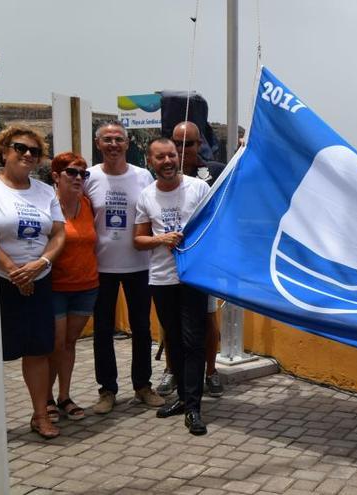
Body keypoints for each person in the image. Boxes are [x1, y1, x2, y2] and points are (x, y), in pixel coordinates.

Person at [85, 121, 164, 414]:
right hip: (101, 266)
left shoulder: (142, 176)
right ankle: (107, 391)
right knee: (102, 330)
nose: (114, 144)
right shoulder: (88, 177)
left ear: (128, 144)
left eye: (119, 139)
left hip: (139, 264)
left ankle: (143, 386)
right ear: (99, 144)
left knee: (142, 328)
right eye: (108, 139)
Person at [134, 137, 211, 435]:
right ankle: (181, 398)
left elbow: (213, 226)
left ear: (177, 157)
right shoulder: (146, 196)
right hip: (162, 279)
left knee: (194, 342)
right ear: (150, 162)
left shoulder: (198, 187)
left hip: (192, 277)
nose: (167, 161)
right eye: (160, 157)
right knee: (175, 343)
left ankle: (193, 407)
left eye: (171, 155)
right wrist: (160, 240)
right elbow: (138, 240)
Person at [0, 125, 65, 438]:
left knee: (37, 351)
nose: (27, 155)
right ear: (4, 150)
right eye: (20, 148)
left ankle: (40, 416)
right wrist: (12, 270)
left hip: (38, 279)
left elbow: (59, 233)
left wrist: (40, 263)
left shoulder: (45, 191)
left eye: (34, 151)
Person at [154, 121, 227, 398]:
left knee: (207, 320)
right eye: (178, 143)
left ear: (201, 144)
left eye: (190, 143)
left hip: (202, 264)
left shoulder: (214, 172)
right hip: (168, 265)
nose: (183, 150)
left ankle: (211, 371)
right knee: (169, 325)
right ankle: (172, 370)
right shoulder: (162, 173)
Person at [46, 152, 98, 422]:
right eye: (72, 172)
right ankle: (45, 398)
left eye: (83, 174)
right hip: (55, 287)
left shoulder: (88, 204)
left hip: (86, 285)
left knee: (69, 343)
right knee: (54, 344)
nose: (79, 178)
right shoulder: (47, 206)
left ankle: (64, 396)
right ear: (56, 176)